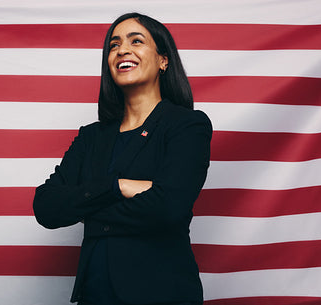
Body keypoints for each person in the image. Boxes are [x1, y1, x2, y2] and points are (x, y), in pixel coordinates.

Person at [33, 12, 212, 305]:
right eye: (114, 45)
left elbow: (169, 208)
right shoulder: (91, 137)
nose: (122, 50)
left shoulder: (186, 126)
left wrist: (87, 206)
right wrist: (119, 187)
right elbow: (46, 206)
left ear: (163, 60)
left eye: (136, 41)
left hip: (162, 292)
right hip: (95, 293)